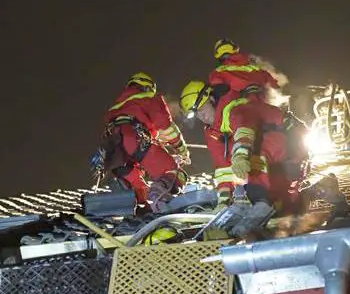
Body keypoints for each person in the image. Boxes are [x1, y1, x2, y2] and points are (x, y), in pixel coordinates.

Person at [180, 80, 297, 215]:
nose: (202, 117)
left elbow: (245, 131)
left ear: (212, 100)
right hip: (277, 159)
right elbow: (222, 167)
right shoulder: (212, 132)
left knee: (252, 159)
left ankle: (261, 202)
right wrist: (223, 201)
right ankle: (271, 204)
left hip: (291, 139)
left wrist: (240, 156)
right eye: (197, 114)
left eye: (202, 109)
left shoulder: (236, 108)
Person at [93, 72, 189, 212]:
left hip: (113, 153)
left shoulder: (116, 108)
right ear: (148, 87)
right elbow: (165, 126)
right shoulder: (149, 97)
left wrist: (155, 141)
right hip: (133, 140)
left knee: (137, 184)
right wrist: (181, 148)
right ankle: (162, 202)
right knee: (173, 171)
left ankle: (138, 206)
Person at [207, 38, 280, 105]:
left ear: (218, 55)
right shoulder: (257, 69)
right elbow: (276, 87)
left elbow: (218, 91)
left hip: (237, 108)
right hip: (265, 106)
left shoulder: (218, 72)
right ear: (235, 49)